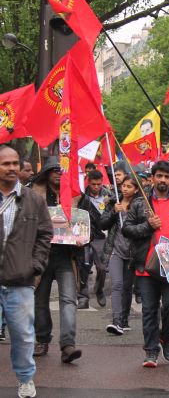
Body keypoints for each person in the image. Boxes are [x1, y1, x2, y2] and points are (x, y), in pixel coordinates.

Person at [122, 161, 169, 368]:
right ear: (152, 178)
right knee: (149, 309)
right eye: (159, 176)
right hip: (146, 266)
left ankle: (166, 338)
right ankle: (151, 350)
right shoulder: (140, 203)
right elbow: (126, 229)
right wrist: (147, 226)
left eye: (167, 176)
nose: (163, 180)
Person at [0, 145, 53, 398]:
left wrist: (35, 265)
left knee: (23, 336)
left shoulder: (33, 200)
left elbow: (45, 234)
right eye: (6, 164)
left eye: (15, 163)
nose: (12, 168)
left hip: (20, 280)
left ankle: (25, 379)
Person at [31, 158, 89, 364]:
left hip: (67, 257)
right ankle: (41, 340)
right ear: (46, 173)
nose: (58, 173)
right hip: (41, 256)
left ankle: (67, 345)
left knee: (68, 301)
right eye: (53, 170)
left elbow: (92, 222)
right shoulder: (33, 195)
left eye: (61, 170)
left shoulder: (77, 195)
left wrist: (83, 238)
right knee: (39, 301)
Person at [102, 175, 141, 335]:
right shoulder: (113, 202)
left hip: (132, 253)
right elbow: (103, 223)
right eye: (123, 185)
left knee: (127, 287)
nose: (125, 189)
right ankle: (116, 321)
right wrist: (113, 212)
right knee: (117, 284)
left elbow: (144, 227)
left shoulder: (140, 205)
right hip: (115, 250)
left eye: (129, 186)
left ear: (136, 189)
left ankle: (124, 319)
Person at [77, 169, 110, 308]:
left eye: (99, 184)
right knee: (84, 266)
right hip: (85, 234)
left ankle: (99, 289)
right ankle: (83, 297)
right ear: (88, 182)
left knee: (102, 268)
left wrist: (110, 207)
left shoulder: (109, 195)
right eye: (93, 184)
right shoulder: (81, 196)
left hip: (100, 236)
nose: (96, 187)